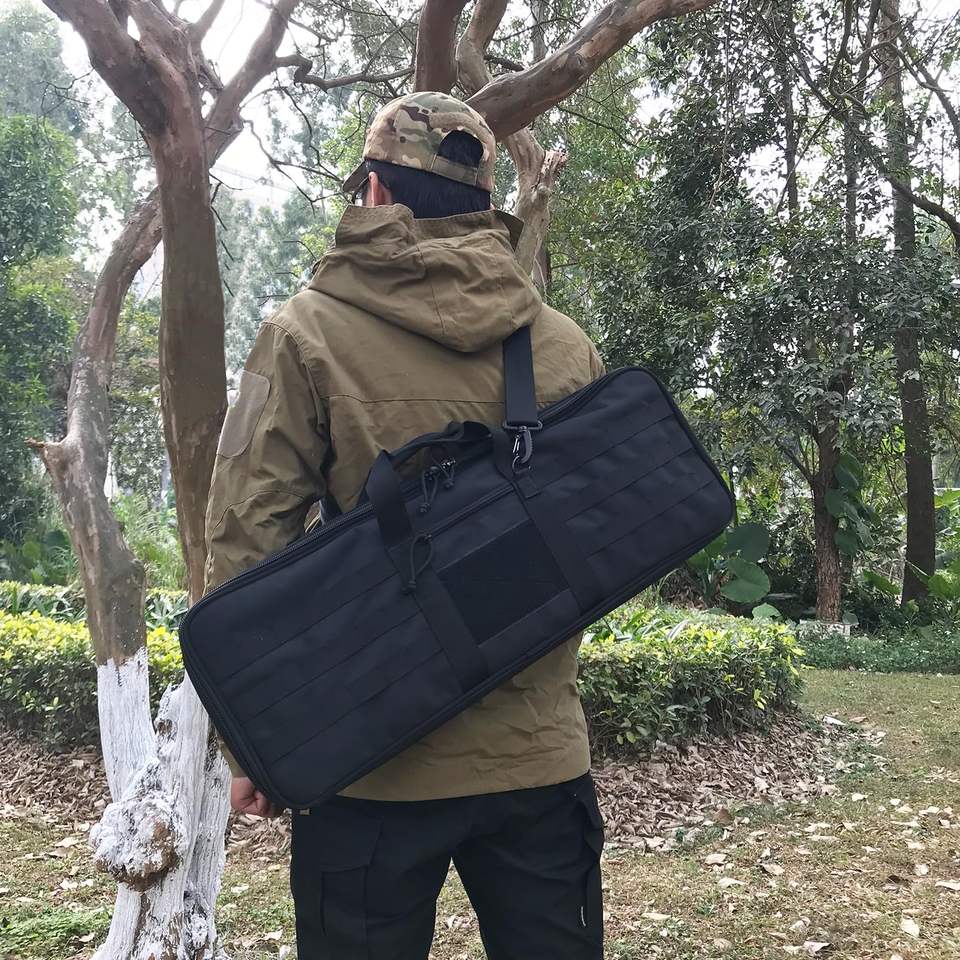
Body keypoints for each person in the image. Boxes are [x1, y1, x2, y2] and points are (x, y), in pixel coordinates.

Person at [203, 90, 607, 960]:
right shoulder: (563, 345)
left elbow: (246, 543)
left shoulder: (304, 333)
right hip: (539, 758)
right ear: (484, 203)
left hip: (367, 760)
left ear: (377, 192)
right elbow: (601, 537)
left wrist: (252, 745)